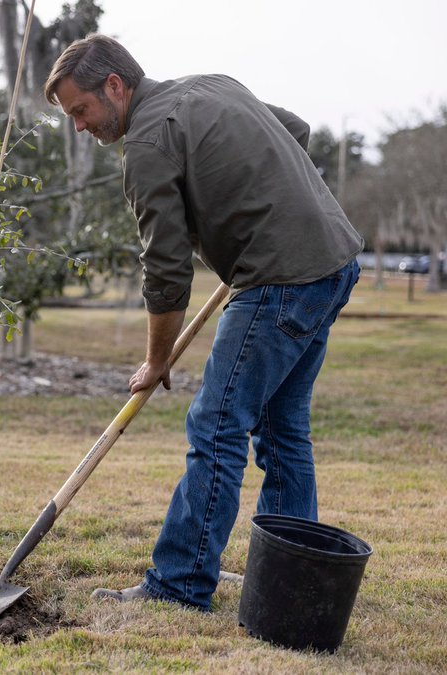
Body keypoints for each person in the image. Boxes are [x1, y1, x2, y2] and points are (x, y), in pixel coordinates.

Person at [43, 34, 363, 611]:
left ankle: (179, 585)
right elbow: (294, 130)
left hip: (281, 280)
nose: (79, 127)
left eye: (81, 111)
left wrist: (157, 360)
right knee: (282, 428)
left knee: (216, 423)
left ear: (114, 86)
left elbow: (165, 269)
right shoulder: (214, 85)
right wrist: (248, 208)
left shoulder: (146, 144)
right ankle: (286, 576)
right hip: (333, 262)